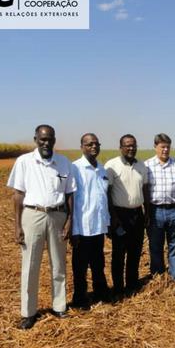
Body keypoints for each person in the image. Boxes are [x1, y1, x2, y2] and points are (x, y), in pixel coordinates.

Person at [7, 125, 76, 330]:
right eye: (43, 139)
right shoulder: (24, 161)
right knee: (30, 266)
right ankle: (28, 313)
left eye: (50, 139)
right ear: (36, 139)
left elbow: (70, 194)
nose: (47, 143)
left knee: (58, 264)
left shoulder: (64, 163)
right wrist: (17, 225)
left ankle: (59, 305)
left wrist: (69, 220)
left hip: (57, 215)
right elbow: (18, 194)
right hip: (33, 215)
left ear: (54, 140)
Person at [70, 133, 110, 310]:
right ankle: (80, 298)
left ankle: (100, 292)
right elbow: (72, 201)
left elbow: (103, 199)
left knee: (98, 262)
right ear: (82, 147)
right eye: (89, 144)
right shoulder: (75, 169)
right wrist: (74, 230)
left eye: (96, 144)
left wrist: (106, 223)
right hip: (82, 228)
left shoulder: (101, 169)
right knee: (80, 266)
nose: (94, 147)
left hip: (98, 227)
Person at [105, 134, 149, 296]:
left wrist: (147, 212)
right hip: (119, 215)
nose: (131, 148)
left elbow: (145, 190)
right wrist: (112, 217)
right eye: (127, 145)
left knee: (135, 251)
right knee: (119, 253)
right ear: (121, 147)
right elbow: (107, 193)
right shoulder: (112, 165)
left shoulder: (142, 166)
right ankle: (118, 287)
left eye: (134, 145)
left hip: (137, 214)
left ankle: (132, 283)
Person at [144, 133, 175, 280]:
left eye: (168, 147)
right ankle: (158, 275)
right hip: (155, 210)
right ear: (155, 147)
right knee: (155, 245)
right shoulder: (147, 166)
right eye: (162, 147)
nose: (165, 150)